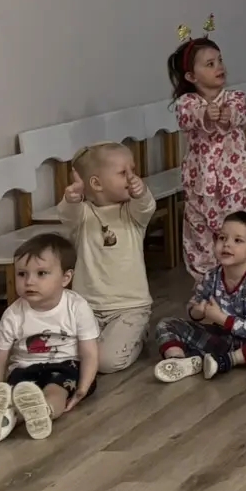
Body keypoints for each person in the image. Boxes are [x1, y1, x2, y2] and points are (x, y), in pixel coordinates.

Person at [0, 234, 101, 446]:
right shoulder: (13, 314)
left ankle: (45, 411)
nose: (29, 282)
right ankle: (7, 414)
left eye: (41, 273)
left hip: (67, 366)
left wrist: (83, 387)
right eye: (22, 274)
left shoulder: (77, 307)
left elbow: (90, 352)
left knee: (56, 391)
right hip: (25, 368)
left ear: (65, 278)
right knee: (19, 393)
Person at [57, 141, 156, 374]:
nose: (132, 177)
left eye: (133, 170)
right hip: (87, 307)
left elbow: (146, 207)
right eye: (123, 173)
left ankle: (137, 335)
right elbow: (67, 214)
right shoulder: (83, 215)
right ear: (96, 183)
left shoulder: (132, 213)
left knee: (105, 363)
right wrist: (71, 198)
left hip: (129, 307)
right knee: (63, 353)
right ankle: (108, 340)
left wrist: (142, 193)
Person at [152, 211, 246, 379]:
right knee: (166, 324)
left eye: (237, 240)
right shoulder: (212, 276)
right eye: (222, 238)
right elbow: (195, 304)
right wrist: (197, 312)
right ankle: (178, 360)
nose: (226, 244)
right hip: (224, 337)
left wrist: (221, 318)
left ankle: (226, 360)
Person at [167, 31, 246, 280]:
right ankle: (205, 285)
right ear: (191, 76)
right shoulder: (187, 103)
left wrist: (228, 117)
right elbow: (187, 118)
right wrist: (204, 115)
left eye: (220, 61)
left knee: (235, 233)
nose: (219, 67)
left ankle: (237, 282)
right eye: (210, 63)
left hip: (233, 185)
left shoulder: (235, 98)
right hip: (199, 186)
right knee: (200, 237)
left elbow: (243, 116)